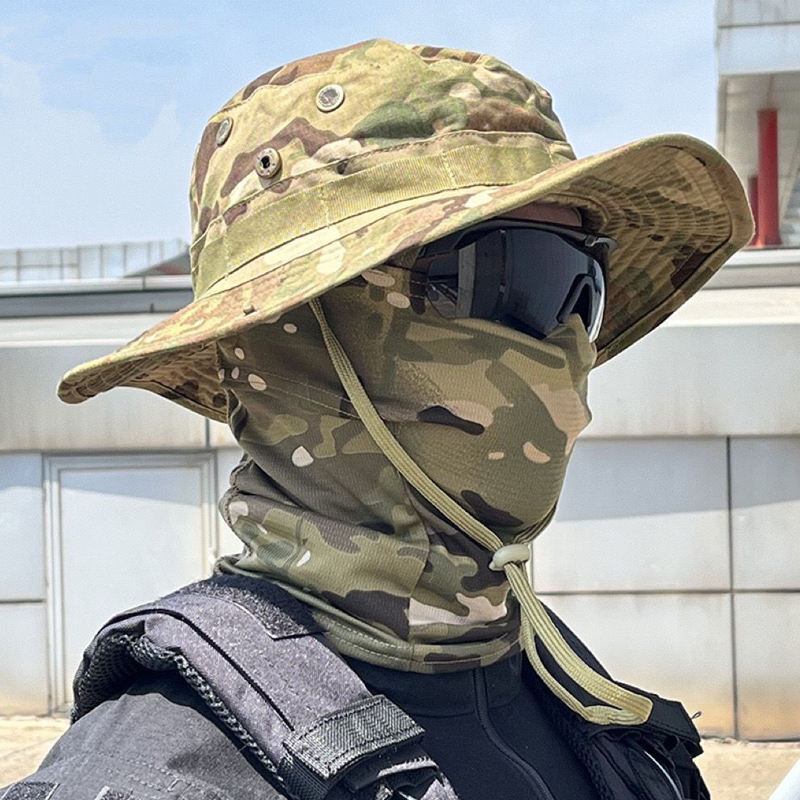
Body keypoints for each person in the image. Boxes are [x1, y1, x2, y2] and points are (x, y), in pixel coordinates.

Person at [6, 39, 752, 800]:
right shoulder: (152, 775)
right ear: (291, 340)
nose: (565, 344)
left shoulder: (568, 690)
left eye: (582, 284)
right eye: (511, 275)